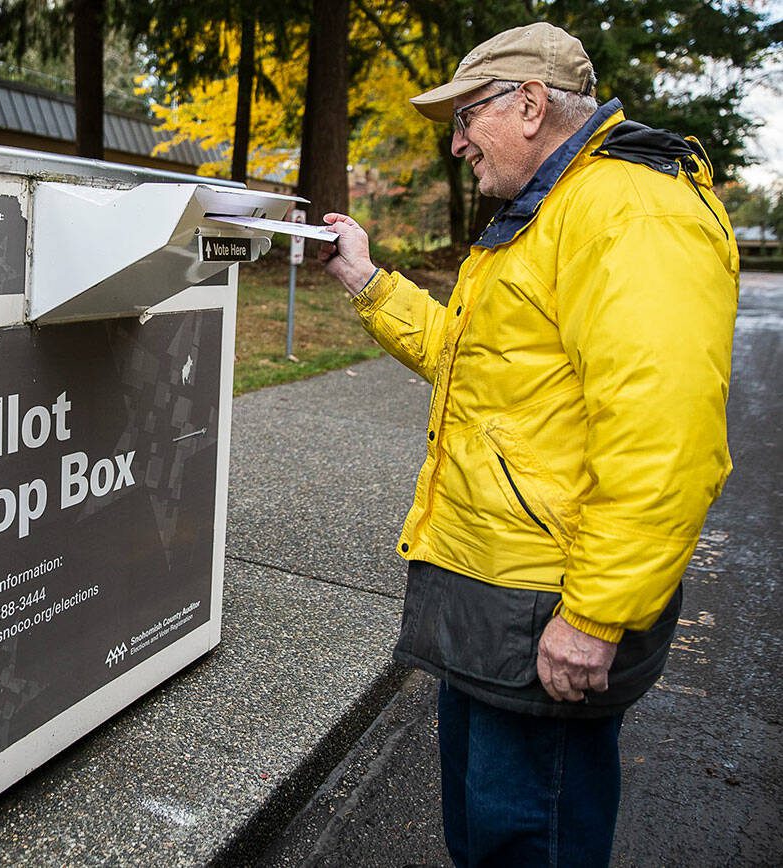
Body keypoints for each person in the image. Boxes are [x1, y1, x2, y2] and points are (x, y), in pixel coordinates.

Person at [318, 21, 738, 866]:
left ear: (532, 103)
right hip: (493, 598)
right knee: (485, 835)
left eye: (467, 117)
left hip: (549, 609)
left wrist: (597, 615)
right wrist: (367, 281)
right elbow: (473, 359)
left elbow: (665, 437)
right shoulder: (550, 208)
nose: (460, 141)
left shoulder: (630, 212)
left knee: (528, 842)